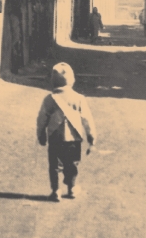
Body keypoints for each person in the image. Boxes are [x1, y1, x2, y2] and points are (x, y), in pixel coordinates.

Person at [36, 62, 97, 202]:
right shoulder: (79, 98)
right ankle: (71, 188)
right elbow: (87, 119)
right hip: (74, 139)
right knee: (72, 163)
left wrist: (41, 134)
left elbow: (42, 119)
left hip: (55, 138)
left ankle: (56, 190)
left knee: (55, 165)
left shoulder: (49, 99)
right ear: (72, 80)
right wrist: (91, 137)